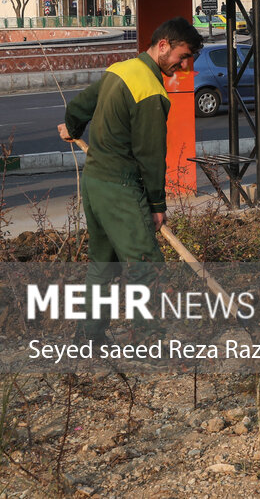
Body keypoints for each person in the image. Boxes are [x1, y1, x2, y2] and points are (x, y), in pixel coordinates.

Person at [57, 17, 203, 345]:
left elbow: (79, 106)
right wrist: (156, 205)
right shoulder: (151, 91)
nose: (183, 65)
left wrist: (73, 128)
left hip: (94, 183)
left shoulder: (119, 70)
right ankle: (150, 341)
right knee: (147, 266)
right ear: (163, 45)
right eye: (182, 56)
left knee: (103, 265)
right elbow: (150, 156)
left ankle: (89, 335)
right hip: (121, 189)